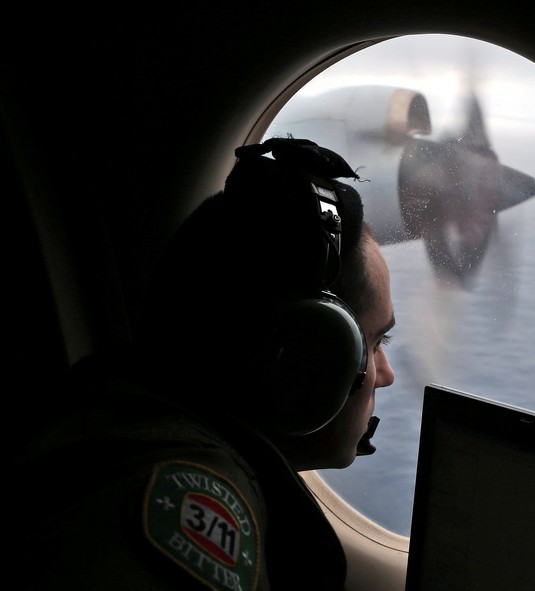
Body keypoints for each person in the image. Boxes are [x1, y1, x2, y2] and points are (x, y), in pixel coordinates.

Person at [15, 138, 396, 590]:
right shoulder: (185, 501)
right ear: (304, 358)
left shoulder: (121, 416)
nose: (386, 373)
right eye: (374, 343)